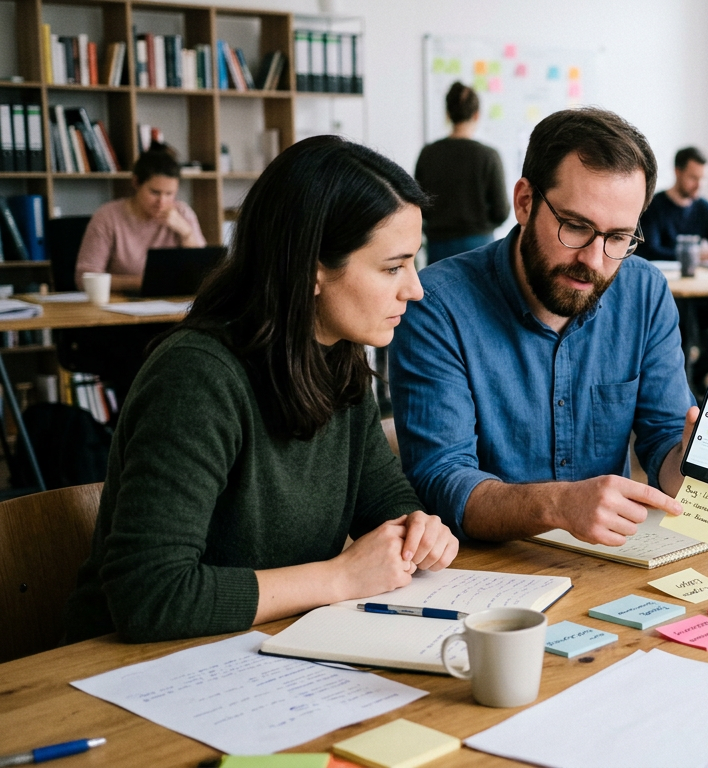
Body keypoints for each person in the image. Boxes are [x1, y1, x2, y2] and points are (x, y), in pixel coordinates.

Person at [63, 135, 458, 644]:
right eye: (392, 267)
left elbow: (384, 504)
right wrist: (338, 577)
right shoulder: (197, 377)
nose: (416, 288)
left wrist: (419, 530)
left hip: (263, 648)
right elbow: (149, 594)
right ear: (313, 267)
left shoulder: (338, 358)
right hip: (126, 669)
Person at [389, 107, 708, 547]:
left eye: (618, 238)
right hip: (492, 571)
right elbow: (442, 481)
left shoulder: (644, 292)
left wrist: (689, 458)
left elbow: (664, 441)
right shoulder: (436, 305)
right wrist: (557, 505)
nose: (594, 261)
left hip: (613, 558)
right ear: (524, 202)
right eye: (576, 227)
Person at [75, 142, 207, 292]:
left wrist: (186, 234)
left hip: (173, 303)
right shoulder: (107, 217)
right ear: (136, 182)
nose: (162, 202)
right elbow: (84, 278)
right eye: (155, 192)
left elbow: (203, 274)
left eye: (169, 194)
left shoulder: (182, 213)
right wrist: (145, 282)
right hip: (121, 305)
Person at [414, 81, 510, 262]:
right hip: (478, 246)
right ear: (476, 114)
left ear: (448, 114)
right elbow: (501, 211)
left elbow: (418, 204)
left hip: (438, 246)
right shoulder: (488, 156)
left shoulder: (428, 154)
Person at [636, 146, 708, 262]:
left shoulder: (704, 207)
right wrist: (695, 255)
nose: (699, 185)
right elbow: (650, 251)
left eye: (703, 179)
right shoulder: (653, 206)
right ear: (677, 172)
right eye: (693, 178)